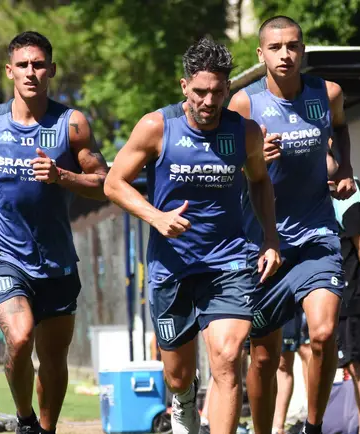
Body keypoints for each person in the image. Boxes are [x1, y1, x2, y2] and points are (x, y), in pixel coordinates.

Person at [104, 38, 281, 434]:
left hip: (229, 262)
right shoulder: (156, 126)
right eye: (200, 91)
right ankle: (183, 401)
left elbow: (259, 182)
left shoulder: (245, 133)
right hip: (172, 266)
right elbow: (114, 184)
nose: (208, 100)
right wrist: (157, 217)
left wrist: (270, 237)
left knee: (228, 354)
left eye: (218, 91)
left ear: (228, 89)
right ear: (184, 86)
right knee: (179, 373)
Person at [0, 31, 109, 434]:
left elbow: (103, 183)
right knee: (21, 338)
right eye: (23, 65)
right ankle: (24, 418)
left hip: (57, 257)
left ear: (51, 70)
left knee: (54, 355)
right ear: (9, 71)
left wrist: (62, 176)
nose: (31, 72)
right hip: (3, 254)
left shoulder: (71, 124)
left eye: (38, 64)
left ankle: (45, 428)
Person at [227, 15, 355, 434]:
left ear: (303, 51)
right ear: (261, 53)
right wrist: (252, 157)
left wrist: (344, 167)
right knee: (264, 357)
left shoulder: (327, 93)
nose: (286, 54)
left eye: (293, 46)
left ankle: (313, 427)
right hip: (264, 243)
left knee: (322, 333)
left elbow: (338, 127)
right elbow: (221, 166)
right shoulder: (244, 104)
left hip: (317, 232)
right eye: (277, 47)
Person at [332, 176, 360, 434]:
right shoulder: (358, 202)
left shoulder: (352, 200)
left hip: (358, 298)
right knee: (359, 370)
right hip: (356, 299)